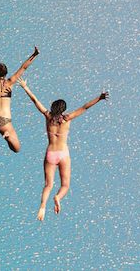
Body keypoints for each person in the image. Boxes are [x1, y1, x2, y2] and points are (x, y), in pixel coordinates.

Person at [17, 77, 109, 221]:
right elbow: (85, 107)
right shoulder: (67, 118)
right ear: (64, 109)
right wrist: (100, 97)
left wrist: (25, 87)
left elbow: (35, 101)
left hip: (50, 153)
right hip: (63, 154)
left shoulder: (48, 116)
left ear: (53, 107)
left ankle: (42, 206)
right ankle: (58, 197)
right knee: (65, 185)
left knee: (48, 185)